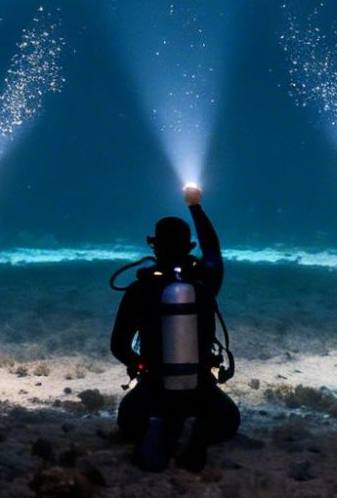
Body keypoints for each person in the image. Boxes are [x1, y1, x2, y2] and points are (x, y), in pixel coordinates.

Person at [110, 185, 238, 472]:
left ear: (154, 246)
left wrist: (141, 366)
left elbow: (118, 345)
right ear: (189, 247)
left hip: (154, 387)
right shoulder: (204, 284)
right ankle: (197, 430)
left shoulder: (139, 289)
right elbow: (214, 251)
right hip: (200, 389)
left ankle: (156, 426)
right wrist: (195, 206)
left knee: (128, 421)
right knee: (229, 421)